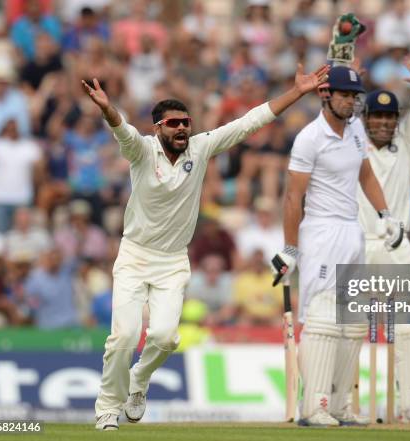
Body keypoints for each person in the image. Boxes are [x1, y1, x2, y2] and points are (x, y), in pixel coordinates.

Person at [82, 62, 330, 431]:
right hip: (134, 256)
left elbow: (249, 122)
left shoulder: (201, 147)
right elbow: (123, 131)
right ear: (158, 128)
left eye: (186, 122)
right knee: (123, 337)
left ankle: (139, 381)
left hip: (172, 260)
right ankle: (107, 407)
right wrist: (106, 108)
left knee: (165, 338)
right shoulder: (142, 151)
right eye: (173, 123)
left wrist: (297, 92)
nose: (182, 127)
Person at [271, 65, 404, 427]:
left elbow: (365, 175)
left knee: (353, 322)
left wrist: (385, 214)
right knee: (324, 317)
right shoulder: (309, 138)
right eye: (344, 94)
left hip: (351, 232)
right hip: (321, 232)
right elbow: (292, 198)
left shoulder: (357, 130)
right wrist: (291, 249)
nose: (350, 101)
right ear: (325, 95)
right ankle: (314, 406)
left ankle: (341, 405)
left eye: (354, 95)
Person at [356, 19, 410, 423]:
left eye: (389, 118)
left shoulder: (406, 148)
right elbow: (331, 104)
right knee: (346, 331)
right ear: (365, 120)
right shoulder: (350, 144)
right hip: (356, 246)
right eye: (375, 117)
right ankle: (338, 403)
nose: (382, 123)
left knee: (407, 328)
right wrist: (341, 48)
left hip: (396, 246)